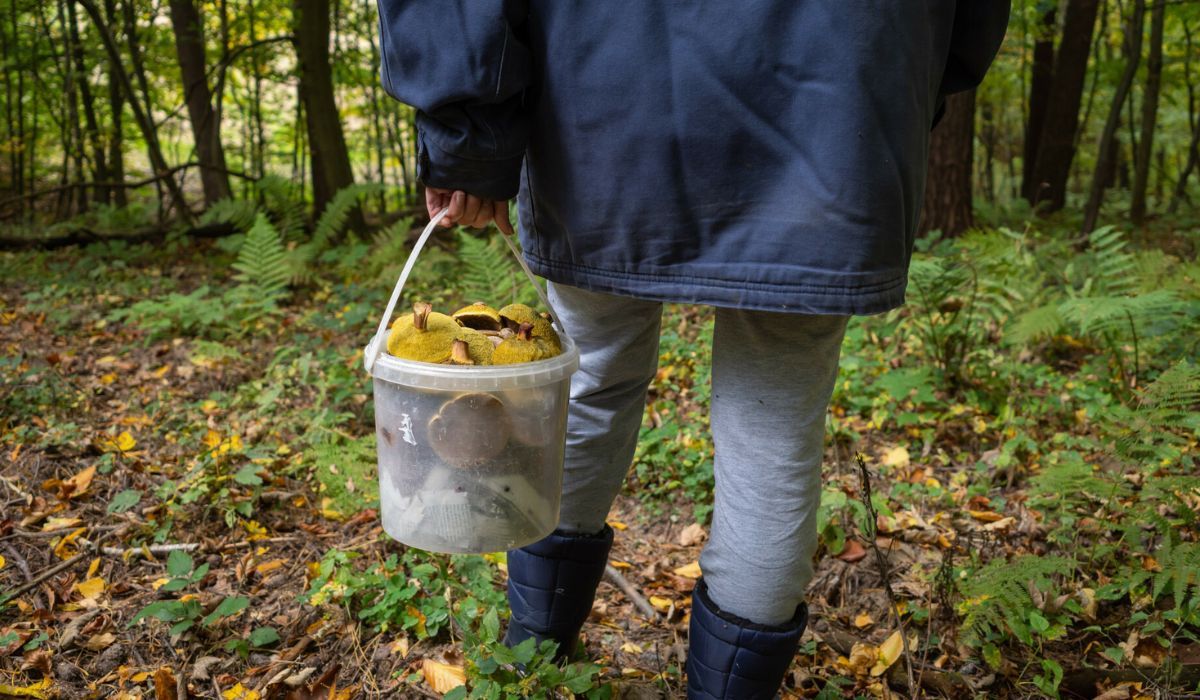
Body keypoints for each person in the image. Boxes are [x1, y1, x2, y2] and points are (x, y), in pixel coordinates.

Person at [376, 3, 1008, 697]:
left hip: (604, 101)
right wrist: (907, 84)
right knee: (773, 427)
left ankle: (533, 656)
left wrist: (469, 139)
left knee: (588, 378)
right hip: (834, 108)